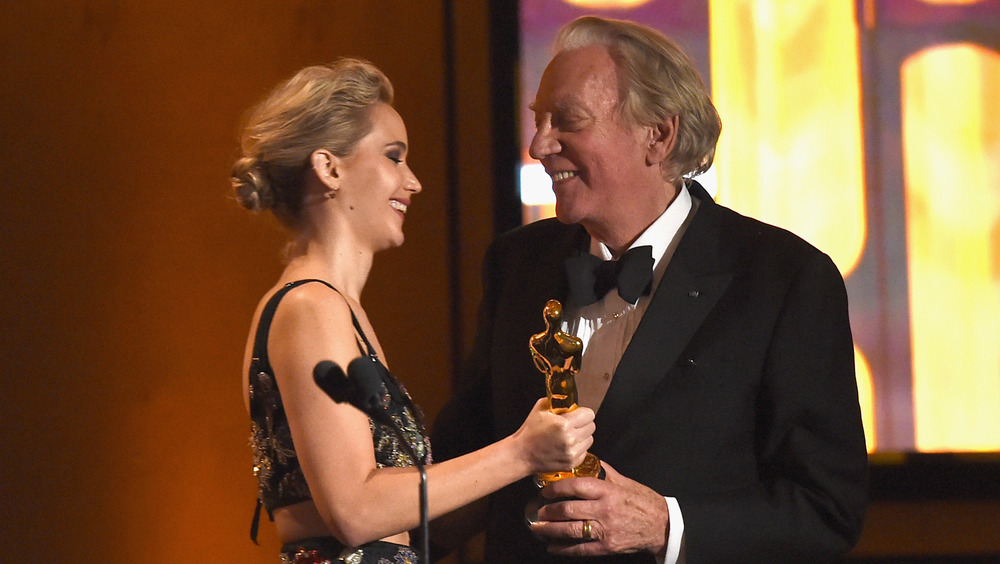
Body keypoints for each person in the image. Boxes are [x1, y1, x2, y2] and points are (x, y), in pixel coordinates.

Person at [431, 16, 869, 563]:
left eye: (567, 120)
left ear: (658, 134)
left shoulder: (784, 279)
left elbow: (826, 510)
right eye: (538, 120)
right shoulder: (515, 263)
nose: (540, 145)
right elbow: (464, 458)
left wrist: (666, 524)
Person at [232, 58, 596, 564]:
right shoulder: (311, 306)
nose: (414, 181)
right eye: (393, 157)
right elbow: (355, 510)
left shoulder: (332, 307)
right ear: (329, 167)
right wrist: (520, 452)